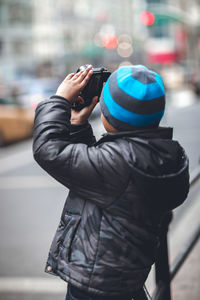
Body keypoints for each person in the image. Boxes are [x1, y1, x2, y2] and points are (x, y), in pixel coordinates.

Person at [33, 65, 189, 300]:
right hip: (126, 279)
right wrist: (78, 126)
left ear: (109, 116)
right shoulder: (164, 155)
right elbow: (98, 173)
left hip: (95, 286)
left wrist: (59, 100)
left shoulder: (118, 164)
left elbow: (48, 150)